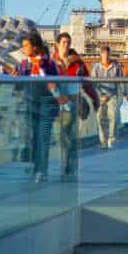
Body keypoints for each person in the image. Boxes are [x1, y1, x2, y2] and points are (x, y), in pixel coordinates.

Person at [52, 33, 98, 180]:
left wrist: (94, 98)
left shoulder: (78, 63)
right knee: (61, 137)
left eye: (68, 42)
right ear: (57, 44)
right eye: (63, 42)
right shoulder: (52, 62)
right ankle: (64, 166)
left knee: (71, 138)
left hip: (73, 103)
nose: (66, 45)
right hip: (57, 104)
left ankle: (70, 168)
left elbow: (87, 83)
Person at [16, 32, 61, 181]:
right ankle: (36, 167)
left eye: (26, 46)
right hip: (31, 104)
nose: (24, 49)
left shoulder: (48, 63)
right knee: (34, 138)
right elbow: (18, 87)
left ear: (35, 46)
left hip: (46, 105)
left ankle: (42, 170)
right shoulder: (24, 65)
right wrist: (17, 79)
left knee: (43, 138)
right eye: (23, 47)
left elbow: (56, 83)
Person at [92, 45, 123, 149]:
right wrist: (100, 95)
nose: (105, 55)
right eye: (104, 53)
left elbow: (121, 81)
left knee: (113, 116)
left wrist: (124, 95)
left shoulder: (116, 66)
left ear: (110, 54)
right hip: (100, 95)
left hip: (112, 95)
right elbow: (93, 83)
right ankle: (103, 141)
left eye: (107, 53)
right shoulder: (96, 67)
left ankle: (111, 138)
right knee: (100, 118)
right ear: (101, 54)